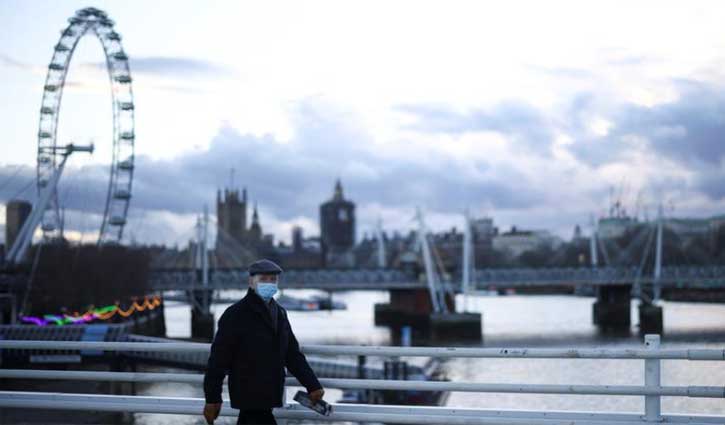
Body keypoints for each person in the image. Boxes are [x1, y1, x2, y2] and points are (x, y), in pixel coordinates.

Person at [202, 259, 325, 424]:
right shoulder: (235, 314)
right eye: (263, 279)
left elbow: (292, 354)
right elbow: (218, 359)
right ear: (251, 282)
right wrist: (212, 398)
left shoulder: (280, 313)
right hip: (249, 395)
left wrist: (312, 385)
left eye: (273, 280)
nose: (269, 283)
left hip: (270, 394)